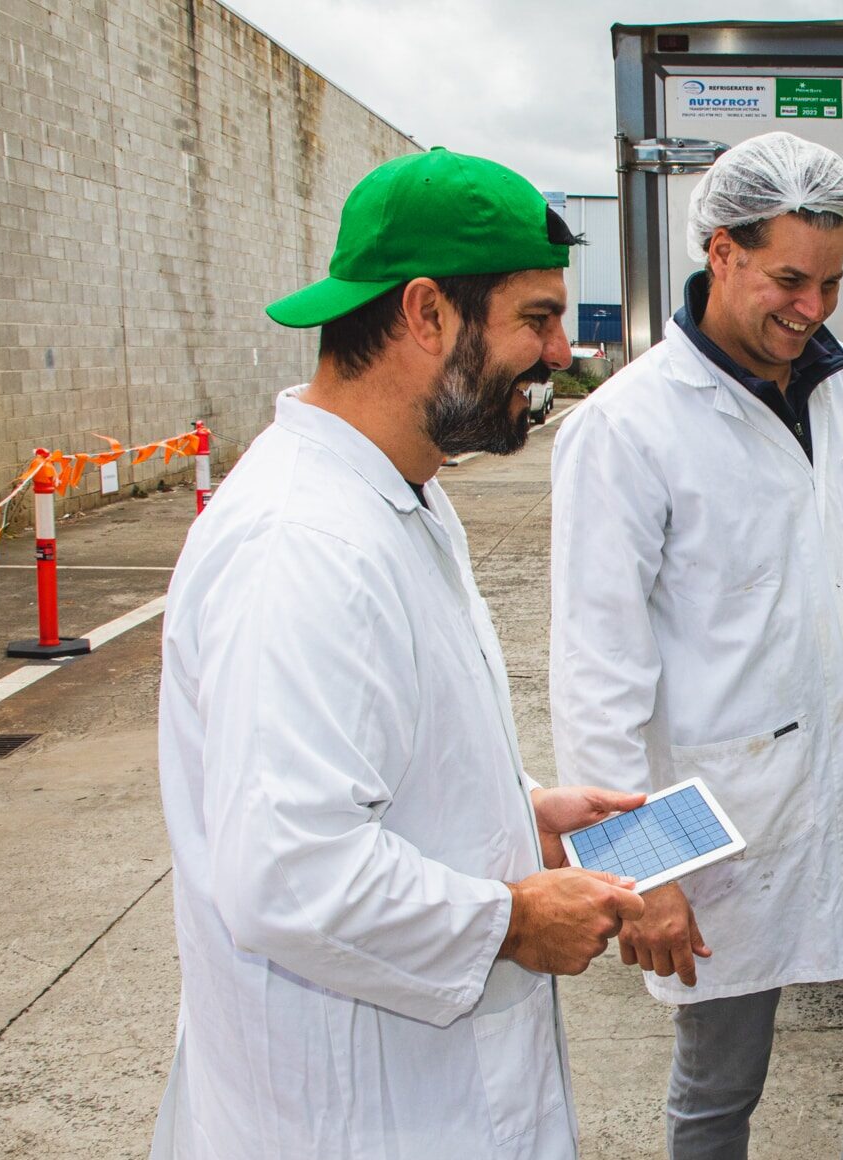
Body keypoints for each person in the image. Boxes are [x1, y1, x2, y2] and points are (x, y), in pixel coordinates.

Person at [152, 148, 646, 1160]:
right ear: (425, 314)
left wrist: (519, 809)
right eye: (535, 317)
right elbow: (287, 872)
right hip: (354, 1116)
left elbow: (381, 749)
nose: (559, 350)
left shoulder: (401, 496)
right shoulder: (303, 544)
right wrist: (508, 918)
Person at [549, 131, 843, 1160]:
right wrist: (639, 874)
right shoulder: (627, 428)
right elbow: (596, 670)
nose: (811, 308)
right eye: (788, 280)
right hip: (721, 815)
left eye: (832, 283)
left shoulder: (841, 390)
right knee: (721, 1085)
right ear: (719, 251)